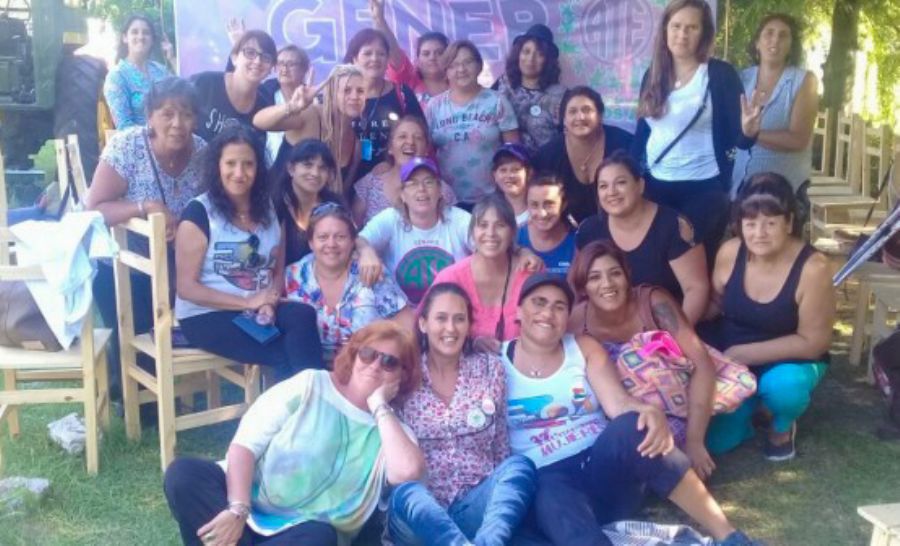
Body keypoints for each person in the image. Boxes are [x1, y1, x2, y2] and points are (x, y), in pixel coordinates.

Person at [504, 273, 761, 546]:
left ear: (567, 316)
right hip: (548, 484)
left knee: (632, 425)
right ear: (518, 310)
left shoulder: (582, 348)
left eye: (559, 306)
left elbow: (617, 403)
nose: (548, 313)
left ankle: (730, 537)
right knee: (547, 488)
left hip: (601, 468)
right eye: (539, 302)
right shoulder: (494, 362)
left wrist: (647, 411)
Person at [163, 321, 426, 546]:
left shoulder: (392, 431)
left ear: (403, 375)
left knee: (319, 536)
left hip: (301, 535)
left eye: (389, 362)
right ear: (355, 355)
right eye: (368, 354)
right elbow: (245, 445)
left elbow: (406, 473)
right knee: (183, 474)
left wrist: (378, 405)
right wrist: (237, 510)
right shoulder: (311, 384)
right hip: (247, 510)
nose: (375, 365)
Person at [388, 283, 537, 545]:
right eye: (441, 318)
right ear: (423, 323)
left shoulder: (490, 369)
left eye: (459, 319)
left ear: (469, 326)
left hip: (475, 506)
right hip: (421, 517)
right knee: (407, 493)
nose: (451, 328)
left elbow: (500, 443)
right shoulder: (403, 374)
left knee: (519, 467)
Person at [86, 77, 206, 399]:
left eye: (186, 114)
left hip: (175, 265)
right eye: (167, 114)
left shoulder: (203, 153)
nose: (177, 123)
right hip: (120, 264)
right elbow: (93, 209)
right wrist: (143, 207)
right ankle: (130, 395)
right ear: (150, 116)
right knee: (139, 339)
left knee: (180, 330)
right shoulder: (127, 147)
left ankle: (174, 391)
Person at [701, 173, 834, 461]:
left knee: (785, 388)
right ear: (739, 225)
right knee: (716, 442)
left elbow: (814, 342)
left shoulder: (814, 268)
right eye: (750, 223)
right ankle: (753, 408)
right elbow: (715, 303)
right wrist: (678, 323)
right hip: (734, 362)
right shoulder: (729, 252)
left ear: (789, 222)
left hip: (789, 360)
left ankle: (781, 425)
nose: (759, 233)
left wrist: (742, 354)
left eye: (770, 223)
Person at [174, 127, 324, 380]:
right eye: (230, 164)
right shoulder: (199, 213)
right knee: (284, 351)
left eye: (248, 164)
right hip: (207, 314)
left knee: (302, 316)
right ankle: (305, 401)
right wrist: (247, 303)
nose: (239, 173)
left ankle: (312, 397)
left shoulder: (272, 208)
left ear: (259, 168)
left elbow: (277, 269)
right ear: (217, 166)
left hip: (259, 307)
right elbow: (187, 288)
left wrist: (268, 302)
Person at [567, 240, 717, 479]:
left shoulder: (654, 303)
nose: (607, 284)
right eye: (594, 277)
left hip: (675, 409)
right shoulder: (578, 320)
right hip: (619, 413)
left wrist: (695, 441)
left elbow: (703, 365)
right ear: (583, 286)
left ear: (627, 276)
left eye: (615, 273)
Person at [633, 0, 759, 265]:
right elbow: (643, 132)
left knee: (694, 263)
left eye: (692, 27)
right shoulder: (653, 74)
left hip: (703, 188)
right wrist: (632, 174)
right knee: (657, 262)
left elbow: (740, 138)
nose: (682, 34)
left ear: (704, 34)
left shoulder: (719, 75)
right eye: (676, 26)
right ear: (665, 30)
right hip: (656, 184)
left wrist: (749, 130)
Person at [576, 151, 709, 324]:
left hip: (666, 324)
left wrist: (676, 334)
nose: (611, 192)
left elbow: (696, 289)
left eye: (621, 183)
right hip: (608, 327)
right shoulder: (589, 230)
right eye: (603, 186)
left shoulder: (673, 226)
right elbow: (578, 284)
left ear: (640, 185)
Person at [284, 202, 415, 364]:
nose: (331, 244)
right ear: (311, 242)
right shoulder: (293, 276)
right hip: (308, 369)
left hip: (367, 367)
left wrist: (388, 360)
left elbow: (406, 324)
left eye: (340, 237)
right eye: (323, 237)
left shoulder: (371, 271)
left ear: (353, 241)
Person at [357, 157, 472, 305]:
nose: (421, 189)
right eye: (412, 183)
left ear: (440, 191)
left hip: (452, 310)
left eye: (428, 182)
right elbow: (359, 240)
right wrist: (366, 251)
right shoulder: (391, 218)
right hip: (403, 312)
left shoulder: (460, 219)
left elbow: (486, 247)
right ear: (403, 195)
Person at [432, 194, 538, 353]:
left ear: (512, 232)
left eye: (500, 225)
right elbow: (429, 329)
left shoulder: (530, 273)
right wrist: (468, 344)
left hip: (524, 365)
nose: (491, 233)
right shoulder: (450, 278)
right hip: (465, 365)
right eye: (483, 225)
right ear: (472, 232)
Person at [731, 14, 818, 203]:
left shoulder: (804, 81)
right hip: (740, 190)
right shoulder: (741, 78)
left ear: (791, 45)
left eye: (783, 35)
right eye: (769, 33)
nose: (775, 40)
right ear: (757, 43)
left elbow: (798, 140)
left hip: (784, 195)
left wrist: (750, 135)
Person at [426, 40, 519, 209]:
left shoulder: (497, 102)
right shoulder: (434, 106)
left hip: (492, 199)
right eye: (454, 65)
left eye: (468, 62)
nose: (461, 69)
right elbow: (425, 152)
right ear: (446, 71)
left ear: (479, 66)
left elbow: (514, 152)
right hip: (447, 201)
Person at [254, 64, 367, 197]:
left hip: (315, 209)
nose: (354, 96)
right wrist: (292, 106)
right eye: (347, 90)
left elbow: (342, 195)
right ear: (332, 92)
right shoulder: (311, 116)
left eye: (360, 91)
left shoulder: (356, 144)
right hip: (276, 203)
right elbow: (259, 121)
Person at [535, 86, 633, 224]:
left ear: (600, 116)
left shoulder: (625, 143)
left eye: (587, 110)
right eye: (572, 111)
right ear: (564, 119)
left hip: (623, 223)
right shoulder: (548, 155)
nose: (580, 117)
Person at [344, 27, 424, 180]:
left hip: (395, 182)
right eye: (367, 53)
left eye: (381, 54)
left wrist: (394, 165)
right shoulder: (341, 96)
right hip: (346, 183)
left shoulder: (402, 94)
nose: (374, 58)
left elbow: (420, 140)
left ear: (387, 60)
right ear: (354, 59)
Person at [352, 115, 456, 226]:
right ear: (390, 148)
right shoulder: (369, 184)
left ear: (426, 149)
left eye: (418, 138)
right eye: (402, 136)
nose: (410, 142)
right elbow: (354, 228)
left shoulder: (441, 190)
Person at [190, 30, 276, 146]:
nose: (257, 61)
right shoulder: (204, 83)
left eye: (266, 58)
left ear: (271, 68)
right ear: (234, 57)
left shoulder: (265, 106)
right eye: (250, 53)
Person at [494, 24, 566, 154]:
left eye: (540, 54)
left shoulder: (561, 96)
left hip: (546, 163)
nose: (530, 59)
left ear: (548, 60)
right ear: (518, 54)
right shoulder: (501, 86)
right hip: (507, 164)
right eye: (526, 52)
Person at [273, 139, 344, 266]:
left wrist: (366, 251)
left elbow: (352, 239)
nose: (315, 173)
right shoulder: (275, 205)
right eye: (308, 165)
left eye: (322, 168)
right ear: (291, 169)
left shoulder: (334, 205)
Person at [369, 0, 449, 108]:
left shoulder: (459, 82)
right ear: (418, 60)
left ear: (449, 56)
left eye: (439, 53)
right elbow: (393, 51)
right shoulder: (409, 80)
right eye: (426, 54)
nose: (432, 57)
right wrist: (379, 19)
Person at [103, 15, 174, 129]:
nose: (140, 37)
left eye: (146, 33)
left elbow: (183, 99)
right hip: (136, 140)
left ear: (152, 40)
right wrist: (156, 136)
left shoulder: (161, 71)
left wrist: (172, 59)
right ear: (125, 38)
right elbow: (124, 127)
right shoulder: (117, 76)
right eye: (134, 32)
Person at [264, 45, 313, 170]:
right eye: (280, 63)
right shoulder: (264, 93)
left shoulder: (314, 100)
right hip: (265, 170)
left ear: (304, 69)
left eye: (291, 64)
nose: (284, 69)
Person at [517, 174, 576, 275]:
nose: (542, 213)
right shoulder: (515, 238)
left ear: (563, 205)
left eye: (549, 205)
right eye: (534, 205)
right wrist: (521, 251)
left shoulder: (577, 242)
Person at [492, 142, 532, 227]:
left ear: (529, 173)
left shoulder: (538, 213)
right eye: (503, 170)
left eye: (515, 170)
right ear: (495, 175)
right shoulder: (489, 212)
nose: (509, 175)